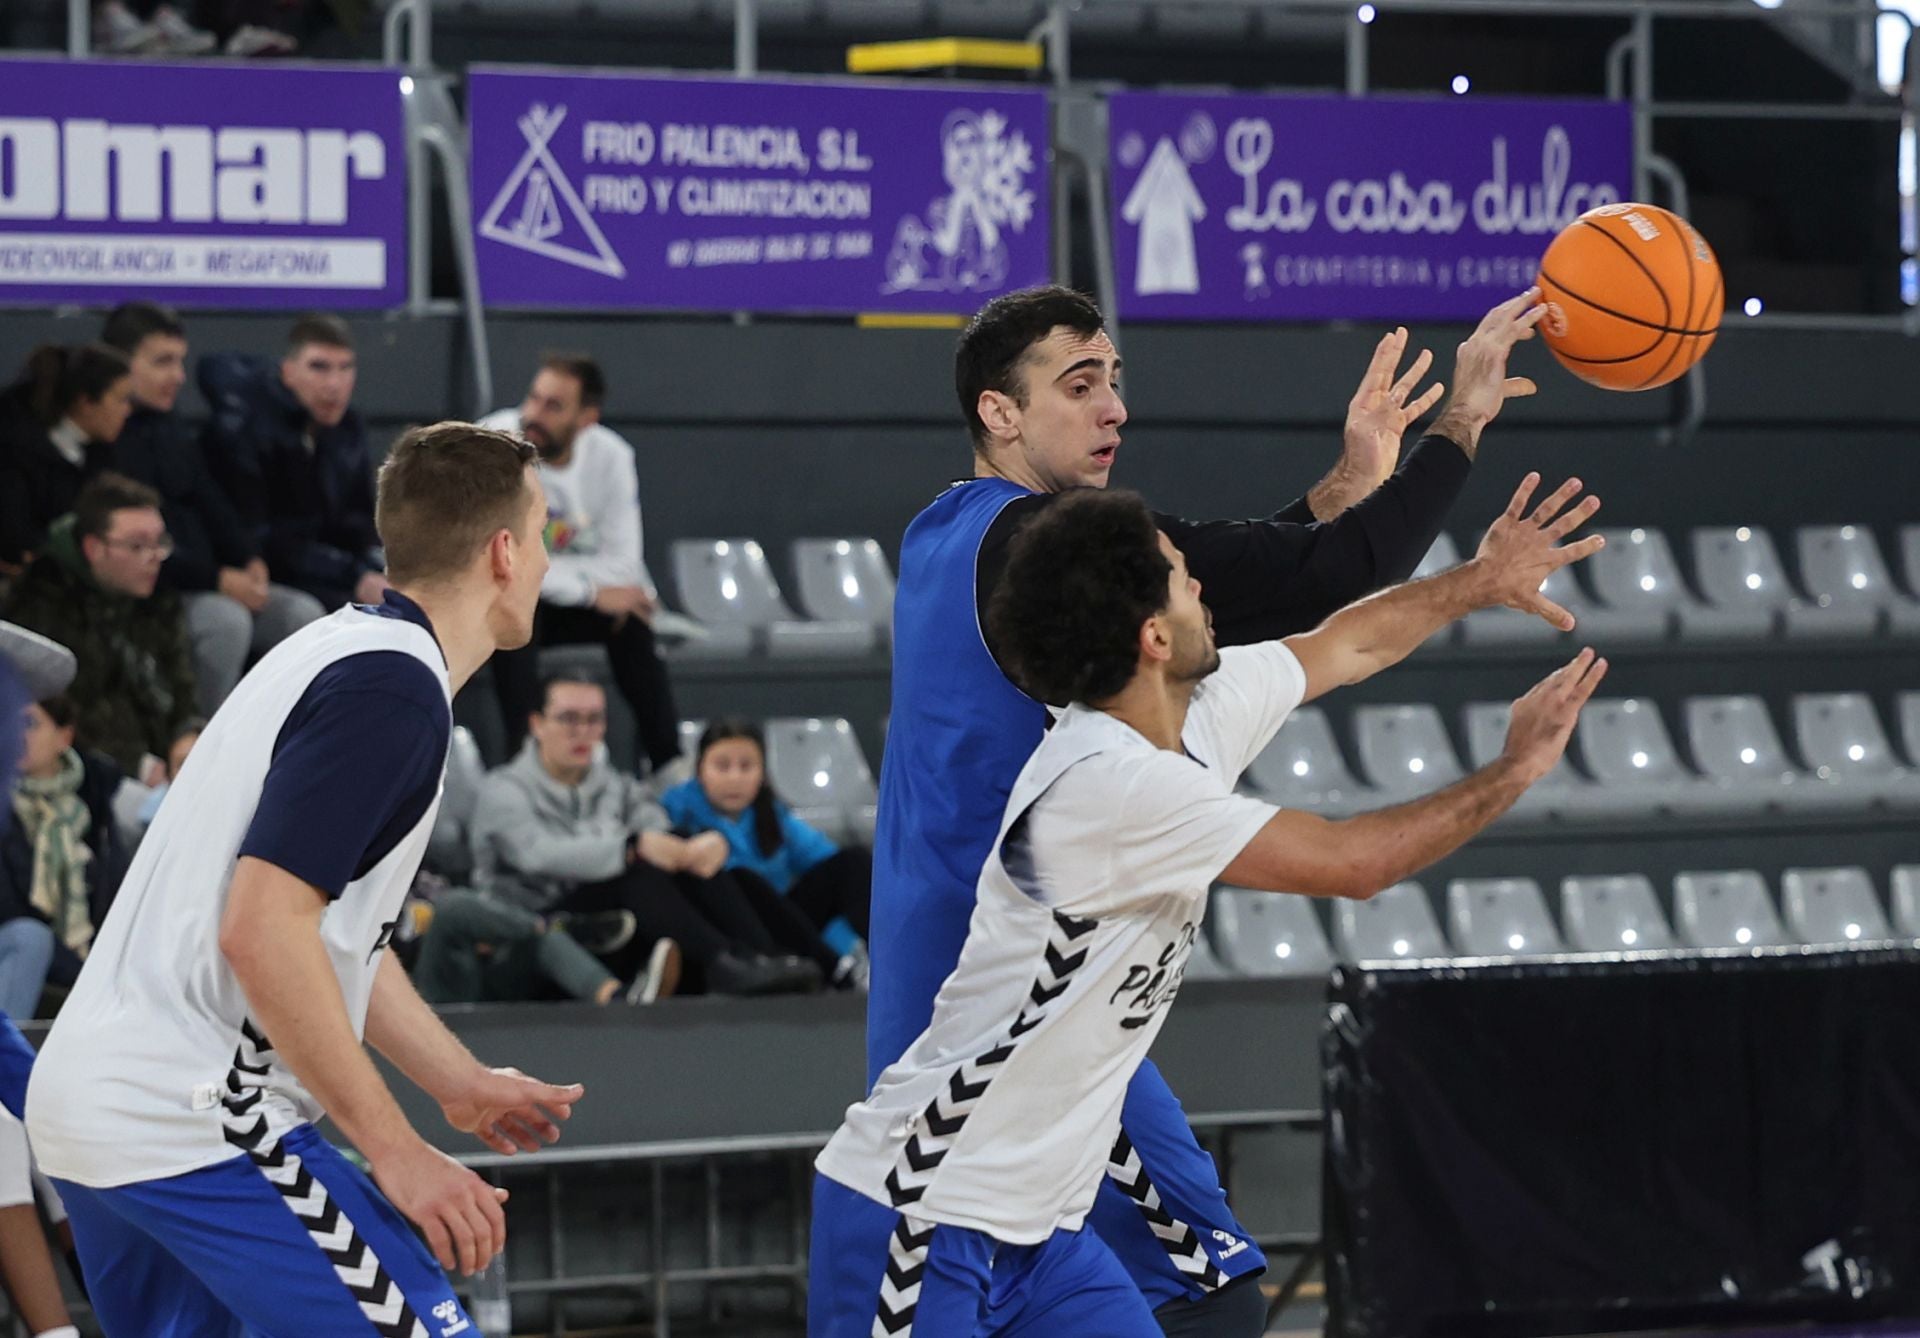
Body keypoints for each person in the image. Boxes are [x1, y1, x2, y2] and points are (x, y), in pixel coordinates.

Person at [871, 283, 1548, 1332]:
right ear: (998, 412)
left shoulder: (944, 535)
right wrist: (1460, 424)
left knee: (1126, 1297)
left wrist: (1354, 484)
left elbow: (1229, 590)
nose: (1115, 410)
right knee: (1208, 1284)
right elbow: (1321, 581)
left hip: (958, 1001)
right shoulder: (1037, 542)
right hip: (1016, 1020)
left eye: (1117, 384)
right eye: (1080, 384)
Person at [26, 421, 586, 1333]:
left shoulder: (336, 649)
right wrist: (397, 1151)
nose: (546, 564)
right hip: (197, 1116)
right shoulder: (391, 691)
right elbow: (262, 930)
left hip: (104, 1109)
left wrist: (455, 1080)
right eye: (546, 535)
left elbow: (328, 936)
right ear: (504, 550)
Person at [469, 675, 823, 997]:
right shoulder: (503, 790)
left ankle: (761, 959)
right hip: (532, 931)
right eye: (569, 719)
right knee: (637, 869)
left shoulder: (615, 785)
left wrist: (694, 847)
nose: (583, 732)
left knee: (702, 855)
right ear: (537, 724)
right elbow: (537, 854)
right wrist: (630, 847)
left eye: (594, 719)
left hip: (609, 924)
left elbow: (653, 822)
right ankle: (722, 962)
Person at [102, 302, 325, 711]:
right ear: (120, 361)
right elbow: (136, 548)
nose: (178, 377)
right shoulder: (107, 435)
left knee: (303, 615)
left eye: (180, 361)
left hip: (215, 581)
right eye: (162, 362)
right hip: (160, 592)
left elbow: (210, 500)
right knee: (226, 623)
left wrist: (248, 557)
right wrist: (219, 579)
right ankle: (201, 749)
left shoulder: (171, 427)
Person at [478, 353, 682, 773]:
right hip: (506, 601)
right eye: (533, 398)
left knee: (633, 617)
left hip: (566, 602)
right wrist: (590, 590)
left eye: (553, 406)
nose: (533, 414)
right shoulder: (495, 441)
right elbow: (502, 560)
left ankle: (669, 769)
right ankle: (525, 768)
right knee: (516, 615)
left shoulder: (612, 456)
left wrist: (590, 592)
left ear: (587, 417)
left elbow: (624, 563)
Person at [3, 474, 200, 781]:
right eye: (137, 545)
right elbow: (67, 717)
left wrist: (187, 735)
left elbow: (182, 683)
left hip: (161, 759)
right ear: (94, 547)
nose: (154, 558)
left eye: (159, 543)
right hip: (92, 769)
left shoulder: (156, 595)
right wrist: (140, 766)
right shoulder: (42, 605)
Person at [662, 718, 873, 989]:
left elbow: (824, 859)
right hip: (729, 929)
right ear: (700, 771)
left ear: (762, 773)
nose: (734, 778)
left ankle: (879, 959)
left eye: (746, 766)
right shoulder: (675, 810)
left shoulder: (771, 813)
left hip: (786, 925)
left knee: (852, 862)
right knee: (742, 877)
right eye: (722, 766)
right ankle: (836, 969)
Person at [200, 314, 387, 612]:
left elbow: (359, 523)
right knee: (324, 615)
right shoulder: (246, 429)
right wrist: (355, 576)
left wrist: (375, 566)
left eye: (345, 368)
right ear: (287, 372)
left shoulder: (348, 429)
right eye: (319, 367)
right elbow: (265, 541)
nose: (334, 383)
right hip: (266, 574)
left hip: (328, 570)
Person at [0, 694, 129, 1017]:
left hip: (75, 954)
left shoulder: (90, 809)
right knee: (31, 938)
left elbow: (117, 895)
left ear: (64, 737)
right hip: (18, 943)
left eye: (30, 723)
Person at [411, 889, 678, 1008]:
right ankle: (559, 925)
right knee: (451, 909)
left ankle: (620, 999)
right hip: (421, 996)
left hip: (472, 966)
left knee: (544, 941)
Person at [0, 344, 132, 573]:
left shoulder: (103, 453)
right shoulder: (13, 450)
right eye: (121, 399)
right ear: (86, 403)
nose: (128, 410)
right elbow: (16, 538)